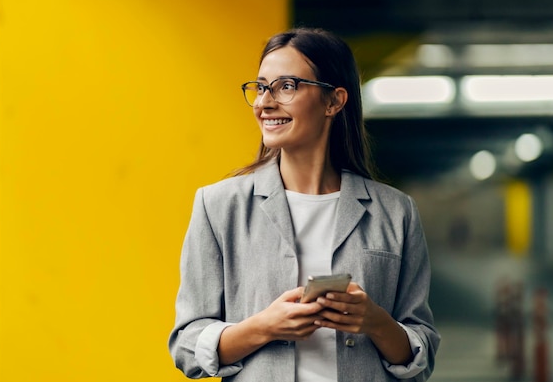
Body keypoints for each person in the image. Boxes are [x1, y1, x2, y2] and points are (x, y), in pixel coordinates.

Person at [169, 27, 440, 382]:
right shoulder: (219, 206)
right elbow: (185, 345)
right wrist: (263, 327)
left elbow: (423, 350)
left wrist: (374, 321)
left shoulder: (395, 212)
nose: (264, 102)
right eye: (261, 87)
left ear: (334, 101)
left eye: (286, 86)